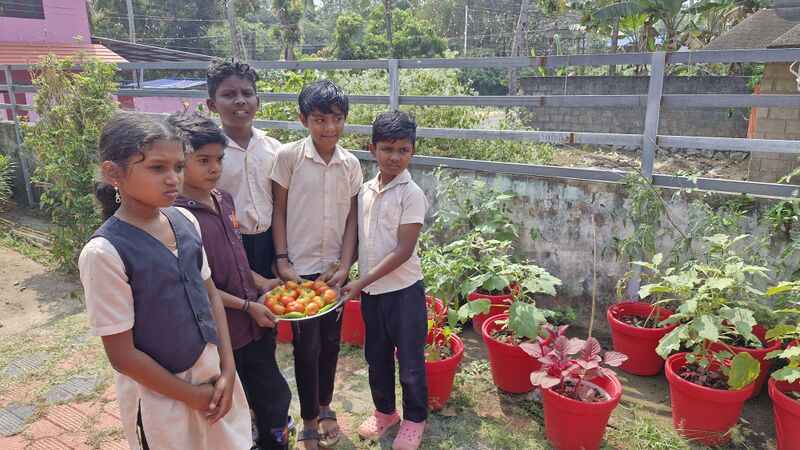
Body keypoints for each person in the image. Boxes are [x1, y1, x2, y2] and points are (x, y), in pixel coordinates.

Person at [78, 113, 251, 450]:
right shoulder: (104, 253)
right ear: (113, 173)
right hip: (162, 397)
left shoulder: (184, 219)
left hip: (212, 377)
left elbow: (211, 296)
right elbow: (123, 356)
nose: (173, 179)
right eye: (158, 168)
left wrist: (228, 370)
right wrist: (192, 396)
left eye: (178, 167)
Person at [168, 112, 293, 450]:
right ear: (180, 162)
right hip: (223, 335)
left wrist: (260, 283)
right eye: (203, 160)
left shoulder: (224, 200)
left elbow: (234, 259)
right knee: (235, 399)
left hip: (255, 324)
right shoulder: (177, 217)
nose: (214, 168)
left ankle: (277, 439)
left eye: (219, 159)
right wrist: (247, 305)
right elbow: (197, 285)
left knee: (272, 391)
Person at [270, 80, 362, 450]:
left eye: (337, 119)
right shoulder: (289, 158)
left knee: (331, 342)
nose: (329, 128)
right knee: (305, 348)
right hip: (299, 271)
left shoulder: (351, 164)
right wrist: (280, 260)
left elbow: (352, 220)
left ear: (345, 120)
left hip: (333, 271)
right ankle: (308, 417)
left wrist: (345, 263)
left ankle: (325, 405)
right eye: (320, 119)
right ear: (303, 119)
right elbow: (278, 211)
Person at [341, 111, 429, 450]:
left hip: (404, 293)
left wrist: (360, 283)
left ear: (413, 152)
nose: (394, 157)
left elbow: (404, 251)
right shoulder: (364, 190)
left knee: (409, 361)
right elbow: (358, 238)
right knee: (376, 356)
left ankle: (414, 419)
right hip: (373, 293)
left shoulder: (411, 194)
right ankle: (385, 412)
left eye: (403, 150)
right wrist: (349, 272)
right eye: (387, 148)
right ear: (372, 148)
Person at [205, 58, 281, 280]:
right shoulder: (209, 156)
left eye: (246, 94)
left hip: (270, 244)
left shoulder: (274, 149)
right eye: (229, 95)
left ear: (257, 101)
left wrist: (281, 254)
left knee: (273, 306)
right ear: (212, 104)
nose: (240, 101)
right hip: (226, 245)